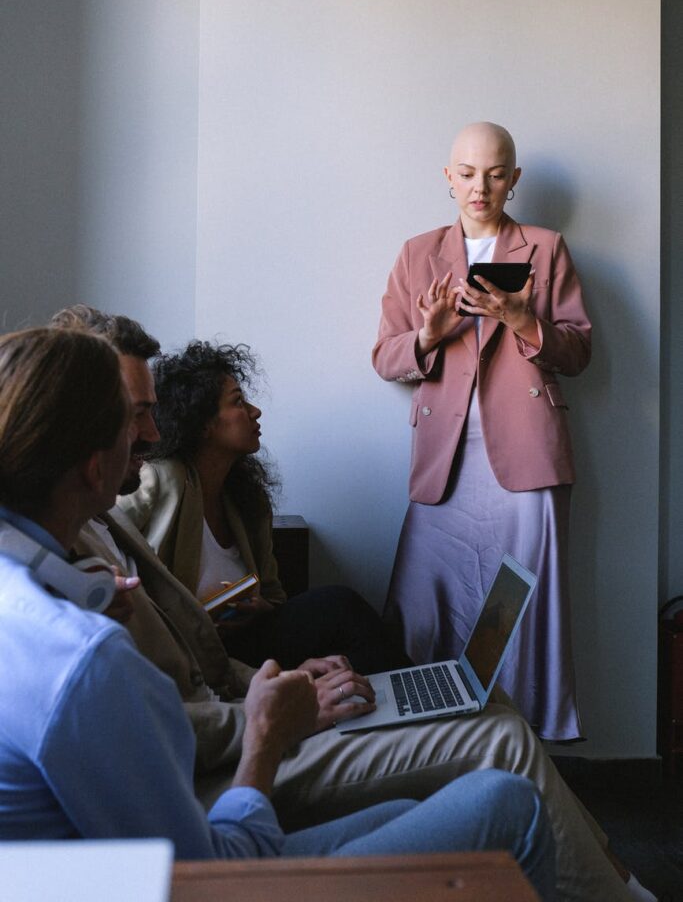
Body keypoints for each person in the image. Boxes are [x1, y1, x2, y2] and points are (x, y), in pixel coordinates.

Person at [50, 305, 645, 902]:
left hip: (243, 699)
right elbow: (163, 718)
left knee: (490, 707)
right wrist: (277, 712)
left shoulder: (114, 524)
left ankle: (602, 863)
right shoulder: (69, 577)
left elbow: (207, 655)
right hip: (224, 755)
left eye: (151, 412)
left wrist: (275, 681)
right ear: (78, 427)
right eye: (136, 414)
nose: (150, 434)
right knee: (497, 740)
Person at [373, 122, 591, 742]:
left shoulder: (545, 248)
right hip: (445, 456)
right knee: (427, 601)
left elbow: (579, 353)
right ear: (448, 178)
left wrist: (526, 320)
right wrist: (428, 335)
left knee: (518, 604)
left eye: (495, 173)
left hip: (526, 452)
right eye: (467, 173)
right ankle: (432, 741)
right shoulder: (418, 254)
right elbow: (386, 357)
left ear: (514, 179)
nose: (480, 186)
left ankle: (523, 743)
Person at [117, 339, 410, 674]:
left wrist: (261, 610)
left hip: (241, 645)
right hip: (183, 650)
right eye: (238, 402)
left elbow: (275, 596)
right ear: (202, 422)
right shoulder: (163, 478)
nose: (255, 411)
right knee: (338, 606)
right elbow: (105, 530)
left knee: (342, 619)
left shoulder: (247, 498)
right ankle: (421, 701)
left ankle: (408, 702)